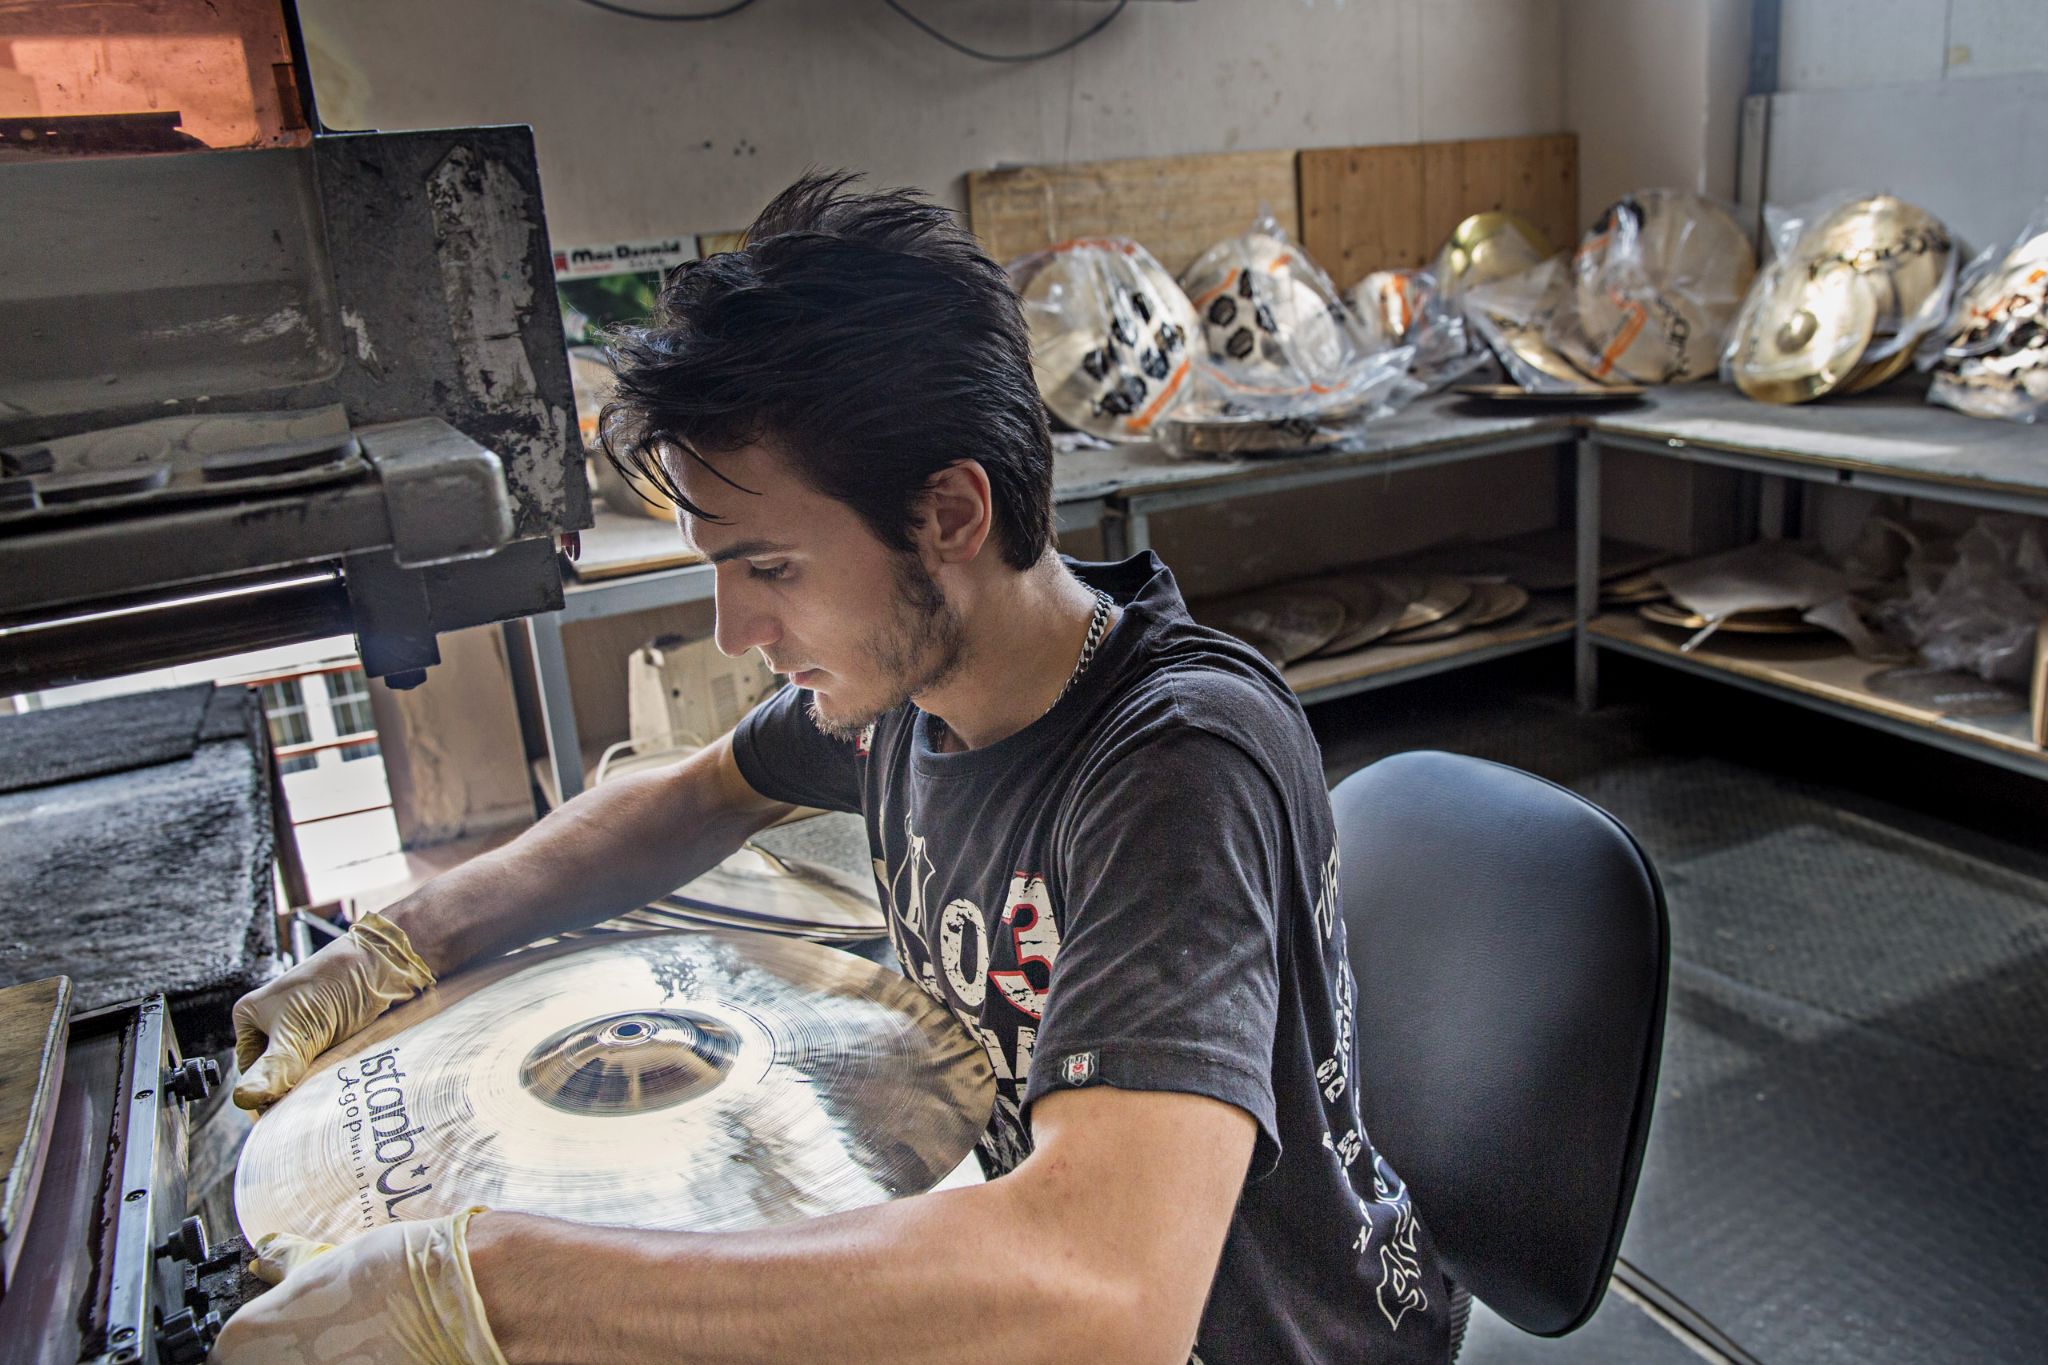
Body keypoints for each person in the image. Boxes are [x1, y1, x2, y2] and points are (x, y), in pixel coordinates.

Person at [216, 173, 1451, 1365]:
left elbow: (1104, 1294)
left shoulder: (1174, 768)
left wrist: (498, 1290)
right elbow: (692, 797)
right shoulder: (911, 697)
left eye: (769, 569)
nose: (732, 632)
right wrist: (399, 946)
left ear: (949, 518)